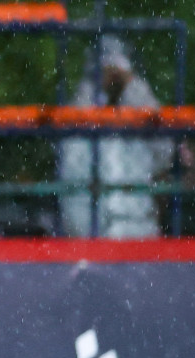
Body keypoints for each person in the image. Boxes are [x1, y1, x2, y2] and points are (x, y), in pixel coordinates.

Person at [59, 36, 172, 238]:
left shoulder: (140, 113)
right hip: (90, 231)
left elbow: (165, 150)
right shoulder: (82, 118)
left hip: (138, 229)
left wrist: (126, 83)